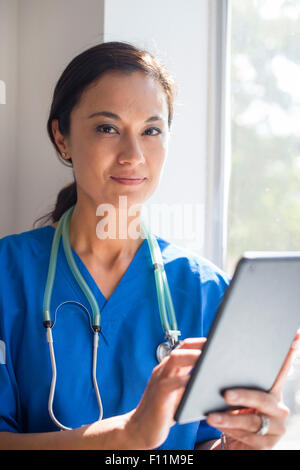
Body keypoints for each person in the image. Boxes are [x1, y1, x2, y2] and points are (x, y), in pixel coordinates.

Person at [0, 41, 297, 451]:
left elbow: (205, 442)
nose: (133, 155)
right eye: (108, 128)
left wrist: (240, 446)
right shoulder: (7, 275)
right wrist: (128, 437)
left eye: (151, 131)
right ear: (62, 137)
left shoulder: (206, 290)